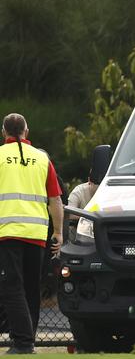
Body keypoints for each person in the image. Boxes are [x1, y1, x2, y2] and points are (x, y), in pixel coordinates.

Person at [0, 113, 63, 354]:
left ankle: (23, 343)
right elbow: (55, 200)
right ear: (27, 131)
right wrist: (58, 232)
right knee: (30, 290)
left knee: (11, 287)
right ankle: (26, 341)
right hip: (37, 233)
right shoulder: (42, 158)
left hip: (7, 232)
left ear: (4, 132)